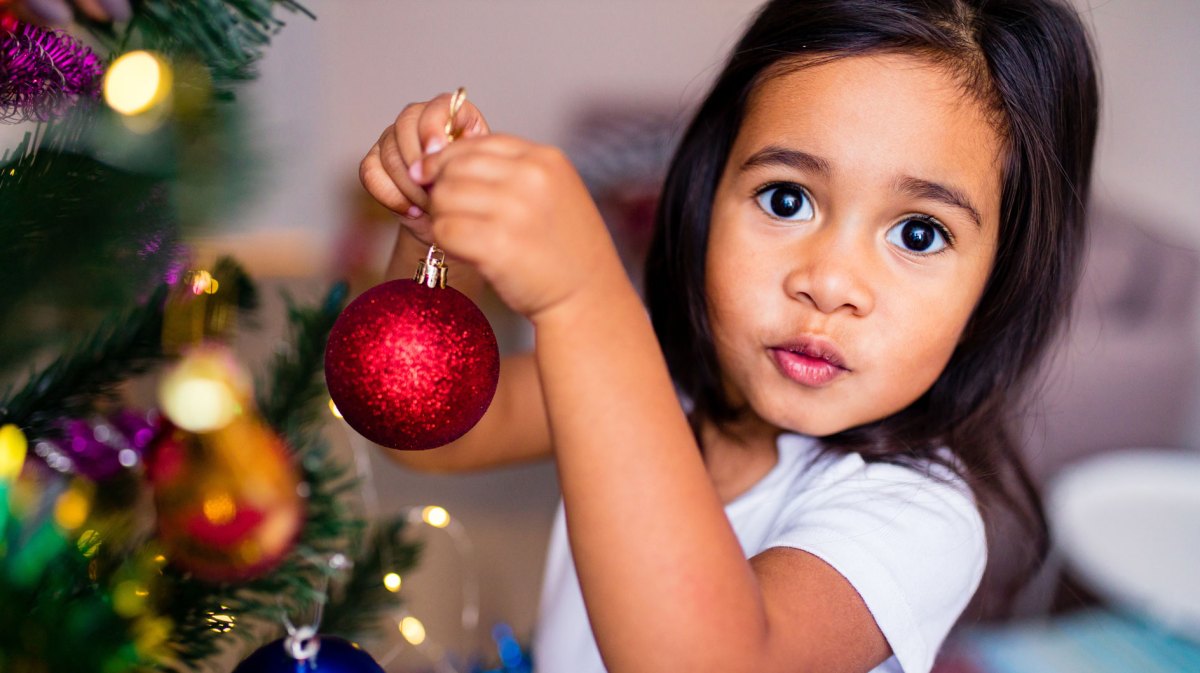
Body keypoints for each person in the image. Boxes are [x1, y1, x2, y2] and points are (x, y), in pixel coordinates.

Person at [357, 0, 1099, 671]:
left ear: (999, 282)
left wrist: (587, 299)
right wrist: (437, 236)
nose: (829, 282)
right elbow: (427, 428)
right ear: (707, 193)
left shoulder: (920, 517)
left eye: (918, 232)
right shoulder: (664, 369)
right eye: (786, 198)